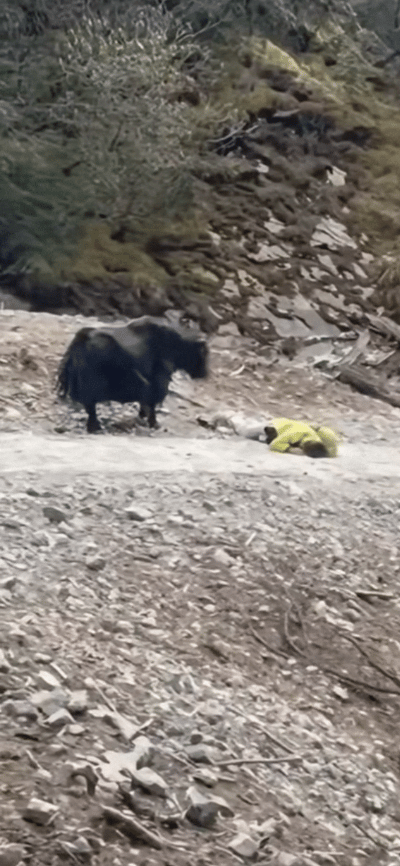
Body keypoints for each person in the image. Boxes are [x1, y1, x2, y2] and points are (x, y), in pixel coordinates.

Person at [265, 417, 339, 458]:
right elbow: (273, 444)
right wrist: (290, 449)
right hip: (274, 425)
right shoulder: (296, 433)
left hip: (289, 426)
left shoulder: (316, 438)